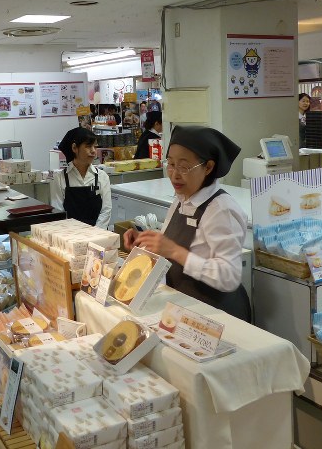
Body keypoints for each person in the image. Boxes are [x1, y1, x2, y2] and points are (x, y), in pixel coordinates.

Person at [121, 126, 250, 321]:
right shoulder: (181, 199)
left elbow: (229, 276)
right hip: (185, 305)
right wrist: (146, 241)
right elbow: (172, 242)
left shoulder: (221, 209)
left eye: (184, 167)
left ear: (208, 167)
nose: (174, 175)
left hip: (217, 314)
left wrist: (175, 251)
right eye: (171, 164)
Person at [50, 127, 112, 228]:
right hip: (70, 234)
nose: (93, 151)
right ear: (74, 148)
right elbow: (59, 213)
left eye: (95, 147)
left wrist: (95, 233)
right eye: (88, 146)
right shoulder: (60, 179)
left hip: (97, 234)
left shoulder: (102, 177)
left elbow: (106, 211)